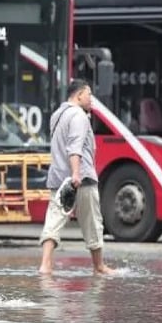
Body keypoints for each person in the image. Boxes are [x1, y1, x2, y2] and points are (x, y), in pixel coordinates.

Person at [38, 78, 115, 276]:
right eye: (89, 95)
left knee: (53, 221)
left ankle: (45, 265)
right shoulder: (79, 116)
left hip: (58, 179)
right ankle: (99, 266)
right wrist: (75, 173)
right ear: (79, 95)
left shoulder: (57, 115)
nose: (92, 101)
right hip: (81, 178)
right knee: (92, 222)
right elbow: (75, 147)